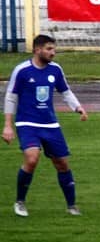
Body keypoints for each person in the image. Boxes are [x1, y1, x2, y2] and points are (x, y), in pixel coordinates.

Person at [3, 34, 88, 217]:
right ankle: (20, 202)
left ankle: (71, 206)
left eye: (54, 49)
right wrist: (8, 125)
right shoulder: (22, 70)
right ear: (37, 50)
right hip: (27, 122)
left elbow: (65, 92)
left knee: (62, 164)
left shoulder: (55, 70)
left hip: (50, 124)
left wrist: (77, 107)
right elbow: (11, 97)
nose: (53, 53)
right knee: (32, 159)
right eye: (49, 49)